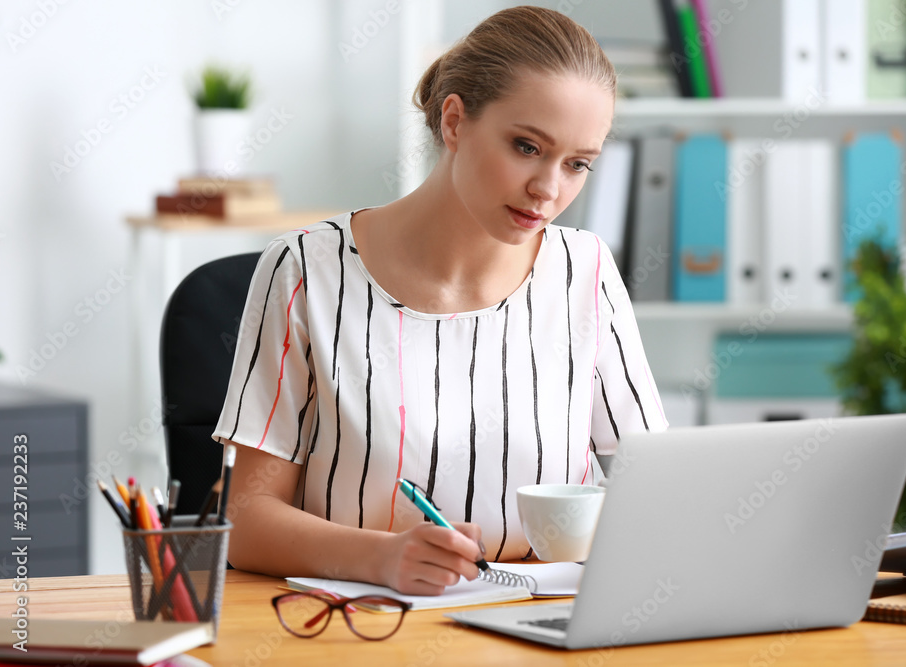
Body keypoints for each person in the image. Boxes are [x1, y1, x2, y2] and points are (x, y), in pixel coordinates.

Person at [212, 5, 667, 596]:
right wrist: (380, 558)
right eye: (527, 147)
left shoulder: (586, 270)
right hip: (367, 626)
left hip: (547, 622)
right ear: (454, 121)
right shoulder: (306, 270)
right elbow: (244, 520)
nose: (549, 189)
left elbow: (659, 492)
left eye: (577, 164)